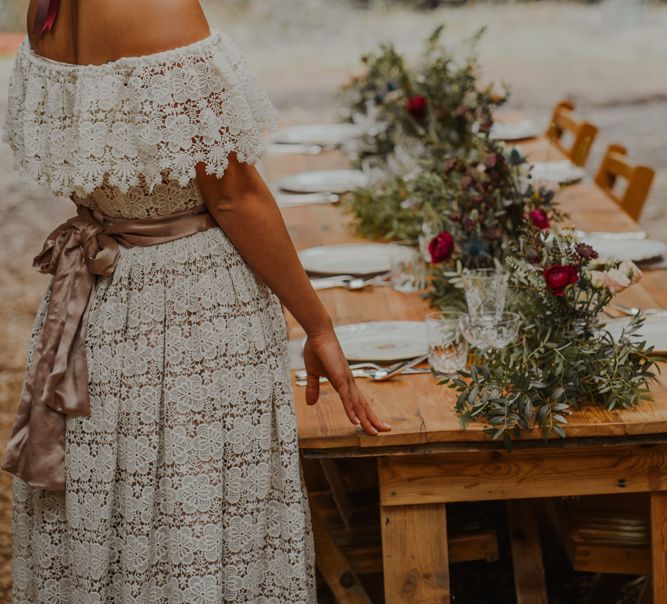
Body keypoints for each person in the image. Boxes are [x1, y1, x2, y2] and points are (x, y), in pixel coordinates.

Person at [2, 1, 390, 601]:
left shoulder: (47, 10)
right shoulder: (155, 7)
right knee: (199, 519)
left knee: (118, 504)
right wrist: (318, 325)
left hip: (97, 304)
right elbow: (233, 193)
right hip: (190, 311)